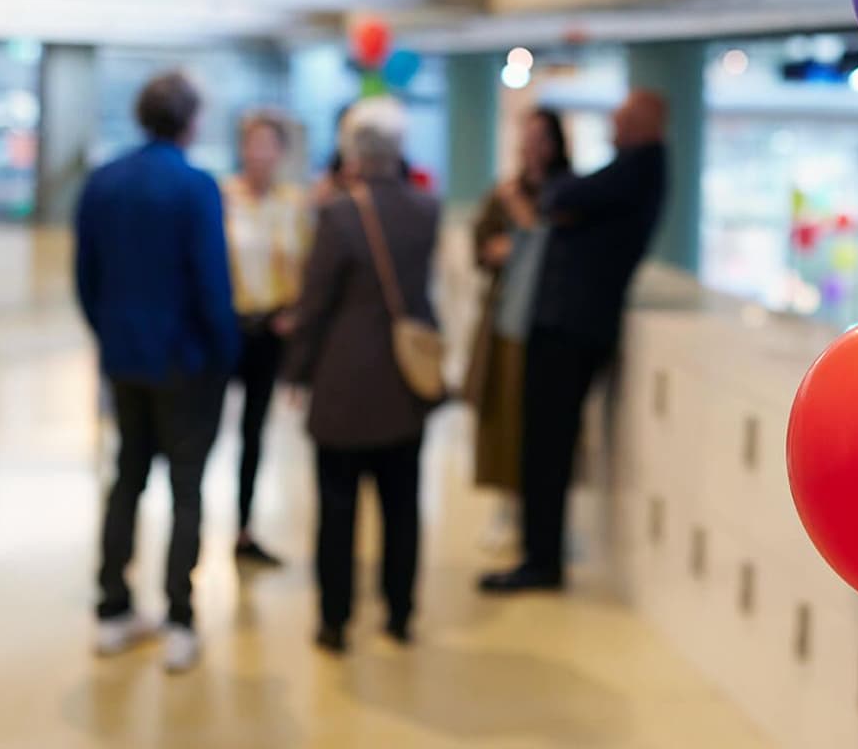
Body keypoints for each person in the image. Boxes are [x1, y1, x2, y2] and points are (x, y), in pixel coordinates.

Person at [75, 71, 239, 674]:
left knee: (128, 478)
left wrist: (111, 335)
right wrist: (226, 353)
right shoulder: (195, 188)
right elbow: (211, 283)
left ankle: (112, 607)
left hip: (126, 359)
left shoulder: (104, 182)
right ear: (191, 120)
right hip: (187, 363)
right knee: (187, 489)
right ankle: (179, 617)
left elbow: (85, 278)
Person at [480, 89, 668, 595]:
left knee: (547, 448)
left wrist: (555, 206)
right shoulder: (632, 169)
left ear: (647, 124)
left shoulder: (640, 166)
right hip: (564, 325)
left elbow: (561, 199)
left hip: (572, 329)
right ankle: (537, 553)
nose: (613, 122)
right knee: (540, 446)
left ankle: (540, 560)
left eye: (624, 116)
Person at [284, 97, 440, 653]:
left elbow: (316, 302)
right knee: (402, 505)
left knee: (338, 508)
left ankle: (335, 619)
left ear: (352, 152)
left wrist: (296, 371)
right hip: (404, 383)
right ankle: (399, 612)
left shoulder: (339, 215)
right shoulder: (427, 210)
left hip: (343, 385)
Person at [465, 108, 571, 550]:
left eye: (540, 139)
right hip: (507, 321)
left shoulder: (566, 194)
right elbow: (482, 246)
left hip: (550, 327)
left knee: (542, 426)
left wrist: (525, 222)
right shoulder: (504, 193)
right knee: (502, 416)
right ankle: (508, 505)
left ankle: (537, 514)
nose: (532, 149)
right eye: (526, 139)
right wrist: (498, 247)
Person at [221, 110, 308, 568]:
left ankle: (244, 528)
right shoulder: (222, 198)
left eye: (268, 144)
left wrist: (295, 314)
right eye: (252, 143)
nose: (260, 153)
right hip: (227, 328)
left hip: (271, 331)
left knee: (254, 431)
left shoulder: (294, 203)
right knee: (206, 428)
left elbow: (310, 266)